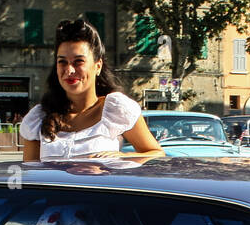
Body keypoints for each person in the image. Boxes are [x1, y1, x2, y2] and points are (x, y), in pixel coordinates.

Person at [20, 17, 165, 161]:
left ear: (98, 66)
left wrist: (124, 157)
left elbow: (156, 153)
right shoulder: (38, 117)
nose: (69, 70)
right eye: (62, 62)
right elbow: (31, 176)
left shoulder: (117, 109)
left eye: (78, 62)